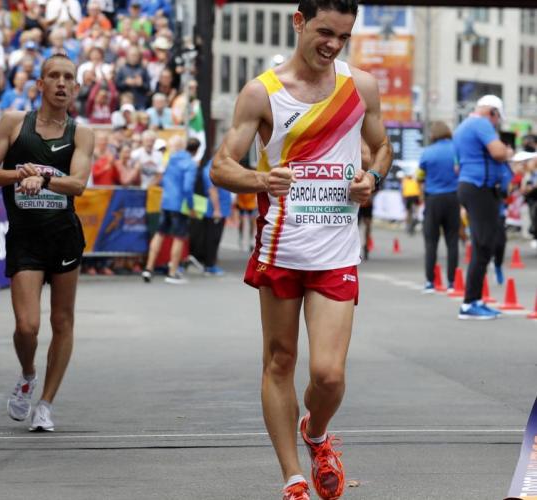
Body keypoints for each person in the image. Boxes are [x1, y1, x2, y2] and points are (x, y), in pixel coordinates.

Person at [210, 1, 392, 499]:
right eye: (325, 31)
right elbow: (221, 166)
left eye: (343, 36)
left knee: (329, 376)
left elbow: (382, 148)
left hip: (335, 251)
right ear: (299, 22)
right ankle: (292, 478)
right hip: (281, 247)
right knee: (280, 360)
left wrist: (372, 178)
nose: (333, 44)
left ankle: (315, 433)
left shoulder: (361, 87)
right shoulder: (262, 92)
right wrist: (260, 180)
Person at [0, 54, 94, 432]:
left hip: (63, 237)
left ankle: (45, 404)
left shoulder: (81, 133)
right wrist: (19, 175)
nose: (62, 83)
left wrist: (42, 180)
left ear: (76, 88)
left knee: (62, 321)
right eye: (54, 76)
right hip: (25, 237)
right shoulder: (14, 123)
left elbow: (78, 184)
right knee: (27, 326)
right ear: (40, 85)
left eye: (68, 78)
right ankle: (28, 374)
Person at [453, 95, 513, 320]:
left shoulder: (463, 126)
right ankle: (470, 303)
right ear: (492, 112)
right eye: (497, 118)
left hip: (472, 186)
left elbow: (458, 165)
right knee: (483, 244)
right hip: (480, 188)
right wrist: (508, 153)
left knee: (484, 244)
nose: (496, 124)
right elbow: (498, 152)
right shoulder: (481, 123)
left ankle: (474, 300)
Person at [141, 136, 200, 285]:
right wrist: (191, 206)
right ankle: (172, 272)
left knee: (159, 234)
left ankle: (148, 268)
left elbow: (162, 180)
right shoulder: (190, 163)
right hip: (179, 204)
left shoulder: (169, 160)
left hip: (166, 202)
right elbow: (187, 188)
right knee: (179, 237)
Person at [418, 121, 460, 292]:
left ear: (433, 134)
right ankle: (452, 282)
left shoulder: (427, 152)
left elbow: (420, 176)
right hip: (453, 198)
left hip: (433, 199)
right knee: (452, 241)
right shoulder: (456, 149)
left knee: (431, 242)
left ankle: (430, 282)